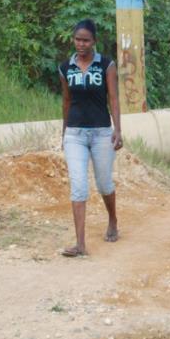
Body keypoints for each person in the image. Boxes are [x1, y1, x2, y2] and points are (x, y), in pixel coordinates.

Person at [58, 19, 122, 257]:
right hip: (75, 133)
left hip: (101, 132)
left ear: (94, 41)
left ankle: (113, 220)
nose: (81, 44)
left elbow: (113, 99)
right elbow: (66, 101)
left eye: (86, 40)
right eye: (77, 39)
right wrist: (64, 131)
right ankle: (80, 244)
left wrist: (118, 129)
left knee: (104, 183)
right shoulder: (66, 68)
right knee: (78, 187)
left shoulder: (106, 65)